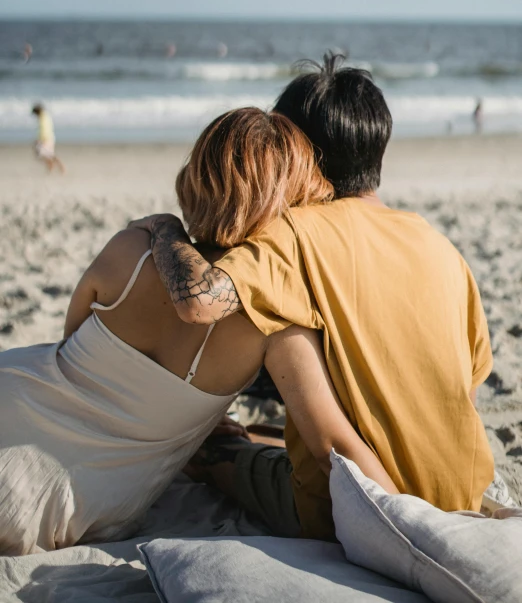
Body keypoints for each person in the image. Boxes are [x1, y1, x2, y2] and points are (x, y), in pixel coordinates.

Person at [0, 107, 397, 556]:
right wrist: (416, 527)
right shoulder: (271, 319)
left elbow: (67, 356)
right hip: (69, 504)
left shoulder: (128, 249)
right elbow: (334, 446)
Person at [131, 53, 495, 541]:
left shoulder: (293, 235)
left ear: (293, 151)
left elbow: (199, 301)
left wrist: (164, 229)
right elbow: (466, 389)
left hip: (349, 510)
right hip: (460, 494)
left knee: (218, 452)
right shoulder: (441, 247)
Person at [31, 103, 65, 174]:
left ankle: (58, 166)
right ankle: (52, 166)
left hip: (46, 138)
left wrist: (41, 139)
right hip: (48, 137)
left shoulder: (43, 118)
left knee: (45, 154)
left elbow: (44, 129)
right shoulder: (45, 116)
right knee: (47, 154)